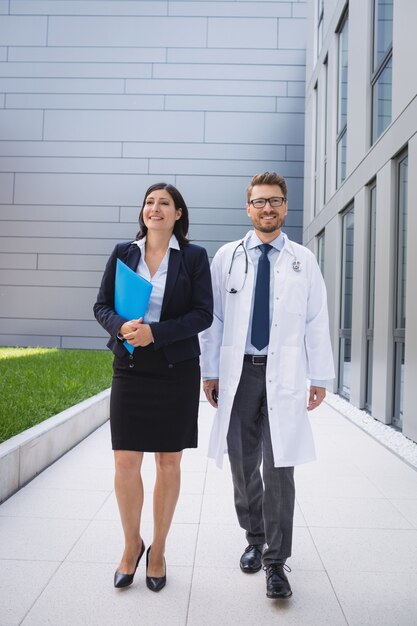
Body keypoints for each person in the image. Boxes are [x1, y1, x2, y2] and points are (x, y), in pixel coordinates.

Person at [200, 172, 334, 600]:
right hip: (238, 373)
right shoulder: (228, 256)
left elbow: (317, 319)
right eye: (259, 202)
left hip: (286, 374)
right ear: (248, 208)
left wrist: (321, 376)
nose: (267, 208)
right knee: (242, 462)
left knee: (280, 467)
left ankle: (276, 561)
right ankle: (254, 538)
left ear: (285, 207)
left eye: (275, 201)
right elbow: (214, 320)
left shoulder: (302, 260)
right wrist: (210, 371)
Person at [94, 182, 213, 592]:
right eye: (149, 202)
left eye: (165, 203)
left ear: (178, 213)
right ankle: (132, 546)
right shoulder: (123, 253)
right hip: (128, 366)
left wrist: (155, 333)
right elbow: (101, 305)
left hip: (175, 369)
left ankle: (158, 550)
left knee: (168, 463)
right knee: (126, 462)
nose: (155, 209)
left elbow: (203, 315)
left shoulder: (194, 257)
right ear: (142, 211)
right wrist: (121, 327)